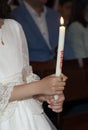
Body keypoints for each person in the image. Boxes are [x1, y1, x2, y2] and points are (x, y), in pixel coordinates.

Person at [0, 1, 67, 130]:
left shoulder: (14, 27)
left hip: (28, 118)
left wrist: (45, 94)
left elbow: (26, 78)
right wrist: (38, 87)